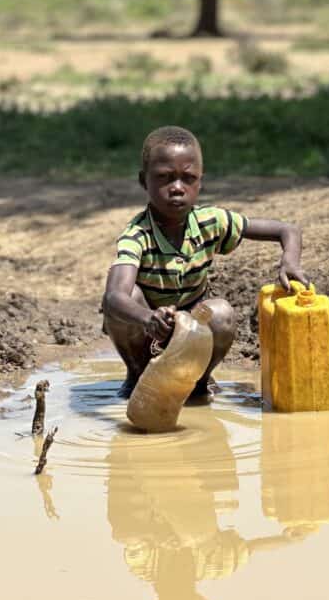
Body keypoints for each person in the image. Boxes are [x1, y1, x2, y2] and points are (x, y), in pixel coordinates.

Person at [102, 126, 308, 401]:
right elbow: (113, 297)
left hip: (193, 330)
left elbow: (287, 230)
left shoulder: (210, 221)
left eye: (188, 178)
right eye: (164, 178)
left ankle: (198, 381)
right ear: (144, 181)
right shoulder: (137, 235)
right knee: (129, 296)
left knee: (221, 313)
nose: (177, 188)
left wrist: (290, 262)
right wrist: (148, 318)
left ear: (200, 182)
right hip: (150, 329)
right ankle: (138, 375)